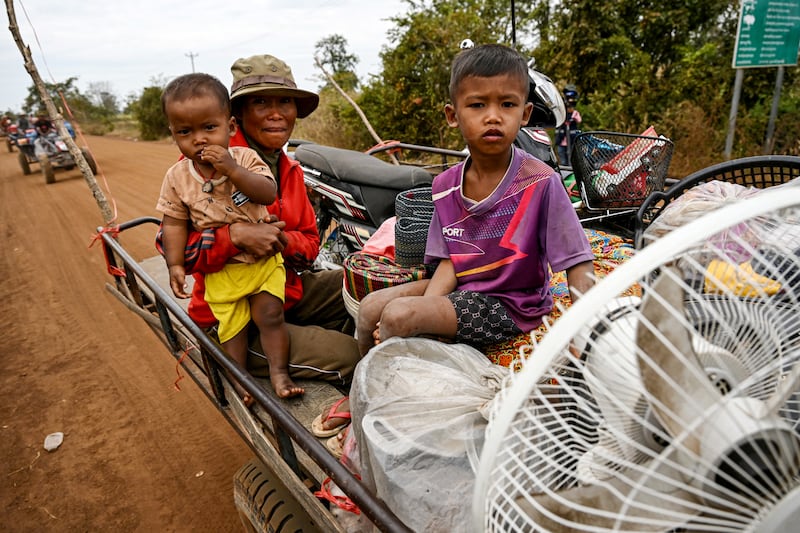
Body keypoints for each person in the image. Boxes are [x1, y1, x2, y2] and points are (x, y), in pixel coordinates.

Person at [314, 44, 596, 440]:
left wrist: (587, 334)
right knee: (373, 308)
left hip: (511, 303)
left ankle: (380, 407)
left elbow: (578, 265)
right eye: (478, 105)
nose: (493, 116)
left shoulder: (540, 182)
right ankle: (367, 388)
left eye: (508, 105)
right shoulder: (445, 187)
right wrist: (427, 306)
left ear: (525, 114)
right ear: (453, 115)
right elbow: (449, 260)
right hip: (464, 285)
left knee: (397, 317)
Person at [159, 54, 360, 390]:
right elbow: (171, 243)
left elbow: (310, 245)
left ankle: (307, 340)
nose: (277, 113)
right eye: (261, 103)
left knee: (362, 286)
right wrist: (234, 236)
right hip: (231, 314)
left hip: (280, 289)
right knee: (350, 356)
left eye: (285, 102)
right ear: (237, 115)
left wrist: (281, 240)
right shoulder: (197, 167)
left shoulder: (291, 170)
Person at [156, 73, 302, 400]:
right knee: (231, 328)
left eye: (209, 128)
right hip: (222, 272)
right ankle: (240, 380)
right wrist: (175, 265)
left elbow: (266, 193)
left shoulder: (247, 160)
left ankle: (280, 374)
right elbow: (174, 224)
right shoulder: (178, 177)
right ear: (174, 135)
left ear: (229, 127)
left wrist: (233, 171)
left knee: (270, 315)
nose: (199, 140)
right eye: (185, 132)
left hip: (263, 265)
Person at [555, 84, 582, 167]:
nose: (570, 109)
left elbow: (579, 120)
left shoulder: (575, 113)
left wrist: (573, 116)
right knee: (563, 160)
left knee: (572, 159)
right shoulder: (562, 114)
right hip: (562, 141)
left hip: (572, 140)